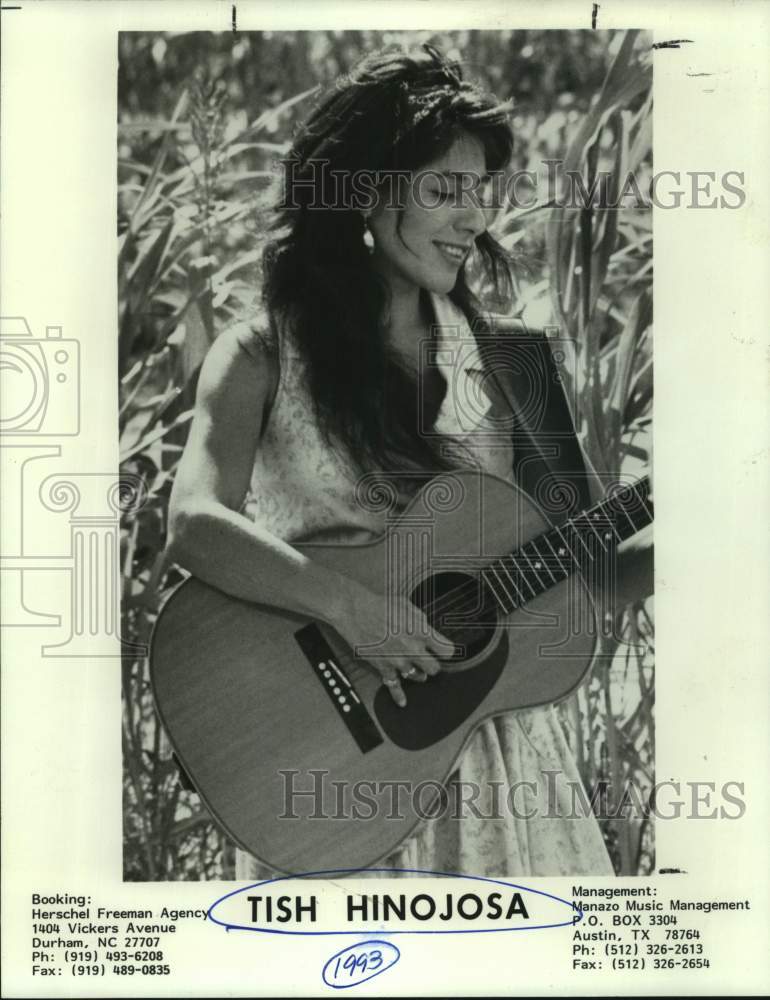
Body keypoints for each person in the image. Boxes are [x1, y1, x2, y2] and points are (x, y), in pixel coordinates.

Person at [167, 43, 642, 879]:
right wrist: (355, 612)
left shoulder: (516, 365)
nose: (473, 218)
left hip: (501, 777)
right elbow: (195, 527)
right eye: (443, 188)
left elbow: (590, 567)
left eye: (480, 192)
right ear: (363, 189)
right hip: (332, 770)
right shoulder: (259, 356)